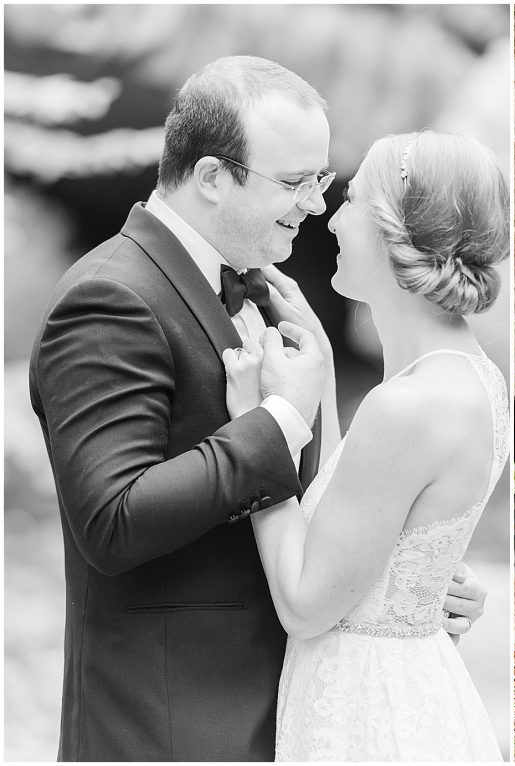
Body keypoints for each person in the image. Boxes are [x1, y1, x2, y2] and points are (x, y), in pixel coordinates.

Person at [28, 57, 484, 762]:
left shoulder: (269, 300)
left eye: (324, 180)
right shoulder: (110, 299)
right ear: (213, 177)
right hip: (174, 722)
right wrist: (276, 421)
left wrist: (403, 576)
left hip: (297, 710)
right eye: (297, 181)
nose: (315, 204)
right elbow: (111, 520)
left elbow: (329, 506)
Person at [221, 130, 509, 760]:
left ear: (391, 231)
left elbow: (303, 605)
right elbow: (375, 526)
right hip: (412, 686)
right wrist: (320, 371)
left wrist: (258, 429)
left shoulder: (405, 406)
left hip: (366, 712)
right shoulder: (477, 380)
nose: (331, 216)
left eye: (350, 199)